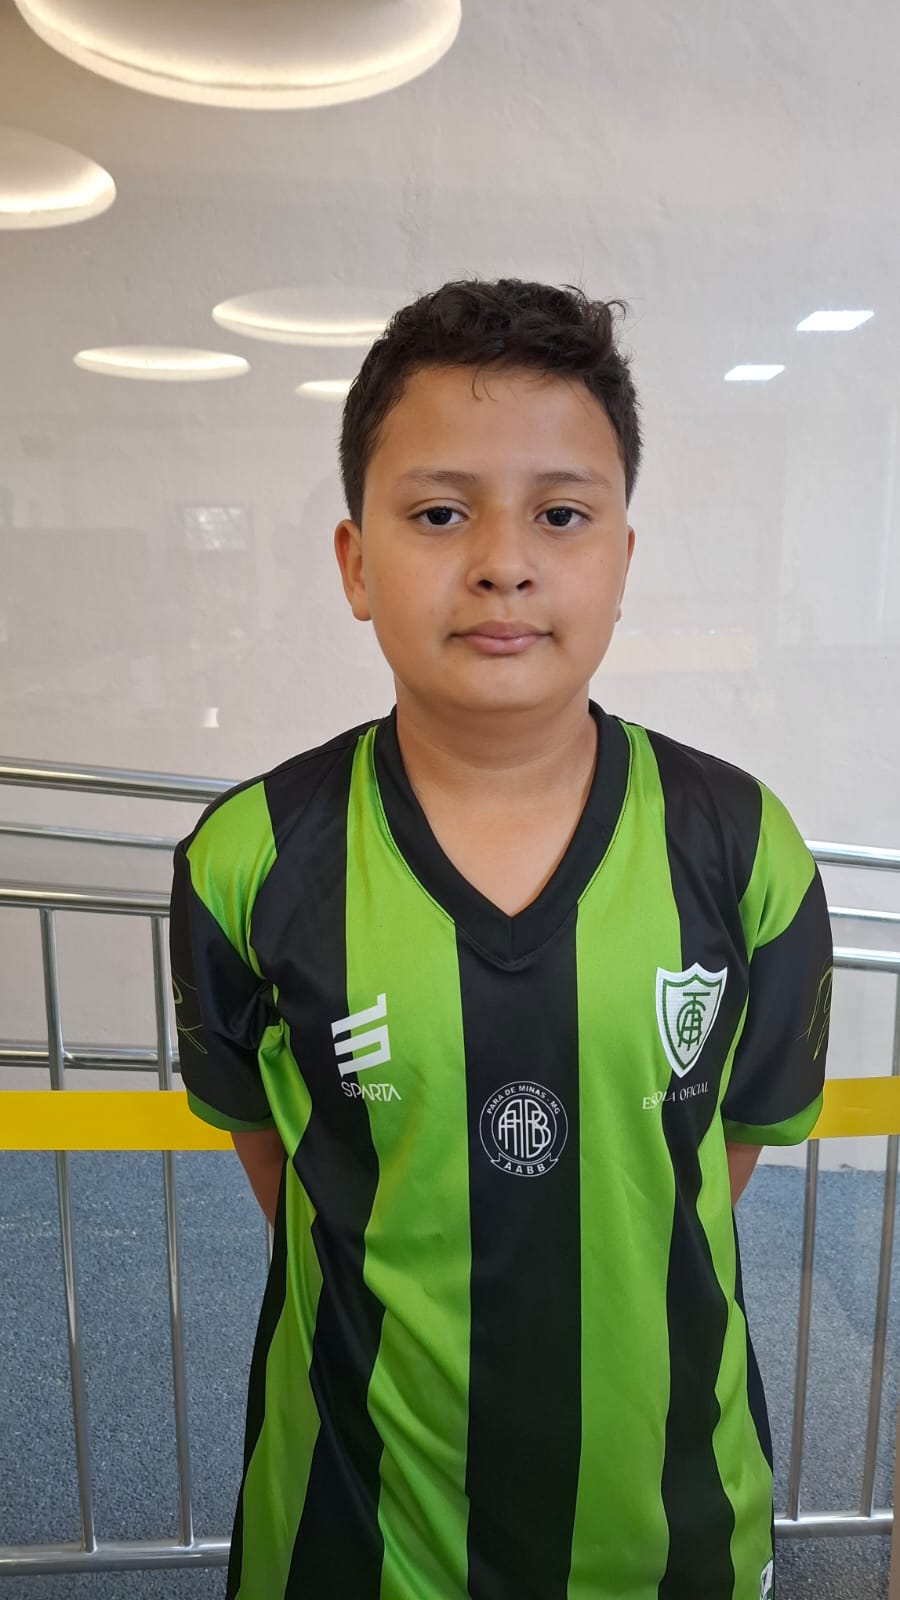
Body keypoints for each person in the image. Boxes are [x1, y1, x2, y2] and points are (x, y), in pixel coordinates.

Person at [168, 278, 833, 1600]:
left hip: (669, 1528)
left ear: (623, 557)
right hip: (351, 1531)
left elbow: (724, 1155)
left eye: (561, 514)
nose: (503, 562)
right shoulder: (248, 860)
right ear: (356, 563)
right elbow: (283, 1160)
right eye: (439, 512)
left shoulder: (746, 848)